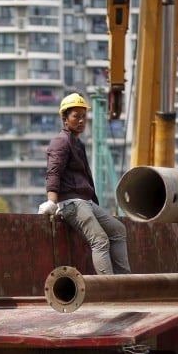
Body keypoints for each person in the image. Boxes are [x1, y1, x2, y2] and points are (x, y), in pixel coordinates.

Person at [40, 92, 131, 275]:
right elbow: (53, 172)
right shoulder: (61, 142)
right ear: (65, 118)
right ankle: (110, 286)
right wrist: (52, 200)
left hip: (85, 201)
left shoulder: (77, 143)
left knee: (118, 230)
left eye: (84, 116)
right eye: (76, 116)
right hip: (72, 203)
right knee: (100, 240)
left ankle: (125, 280)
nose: (81, 121)